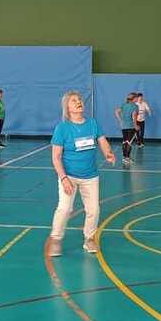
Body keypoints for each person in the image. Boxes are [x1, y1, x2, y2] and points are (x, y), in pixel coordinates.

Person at [47, 91, 116, 256]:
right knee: (64, 209)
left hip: (90, 177)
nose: (79, 102)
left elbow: (103, 142)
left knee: (94, 210)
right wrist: (63, 179)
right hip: (68, 176)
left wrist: (108, 153)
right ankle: (56, 240)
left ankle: (89, 239)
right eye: (74, 101)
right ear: (67, 108)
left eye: (79, 100)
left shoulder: (93, 123)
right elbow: (56, 157)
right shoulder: (62, 128)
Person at [114, 93, 138, 166]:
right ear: (134, 98)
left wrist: (120, 120)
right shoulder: (135, 106)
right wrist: (136, 125)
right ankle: (127, 158)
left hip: (123, 126)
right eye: (136, 98)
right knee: (129, 142)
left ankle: (124, 157)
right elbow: (134, 116)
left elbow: (116, 111)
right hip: (131, 126)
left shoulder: (124, 104)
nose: (137, 99)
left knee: (125, 141)